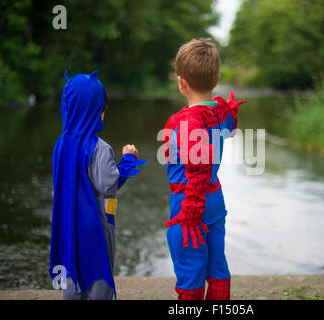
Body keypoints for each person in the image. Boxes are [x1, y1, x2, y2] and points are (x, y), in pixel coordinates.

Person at [49, 71, 147, 300]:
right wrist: (128, 160)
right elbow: (109, 185)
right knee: (98, 275)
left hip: (67, 222)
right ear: (98, 110)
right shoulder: (99, 147)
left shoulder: (60, 144)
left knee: (72, 270)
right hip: (95, 224)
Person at [162, 38, 246, 300]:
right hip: (215, 200)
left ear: (181, 83)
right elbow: (231, 127)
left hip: (189, 204)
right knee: (217, 265)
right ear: (217, 78)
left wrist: (188, 215)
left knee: (190, 268)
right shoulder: (222, 113)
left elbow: (186, 166)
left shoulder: (180, 124)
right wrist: (230, 111)